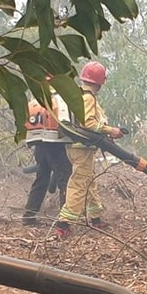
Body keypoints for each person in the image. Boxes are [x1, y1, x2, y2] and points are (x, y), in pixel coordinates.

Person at [54, 60, 124, 240]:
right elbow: (89, 123)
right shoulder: (88, 97)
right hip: (82, 148)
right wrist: (111, 131)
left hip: (81, 147)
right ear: (100, 81)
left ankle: (96, 218)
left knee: (89, 182)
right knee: (79, 183)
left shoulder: (79, 95)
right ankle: (64, 223)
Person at [20, 89, 71, 225]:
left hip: (40, 147)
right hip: (57, 146)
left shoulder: (35, 102)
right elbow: (66, 124)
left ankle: (29, 216)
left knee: (41, 179)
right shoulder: (60, 101)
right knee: (65, 181)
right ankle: (64, 221)